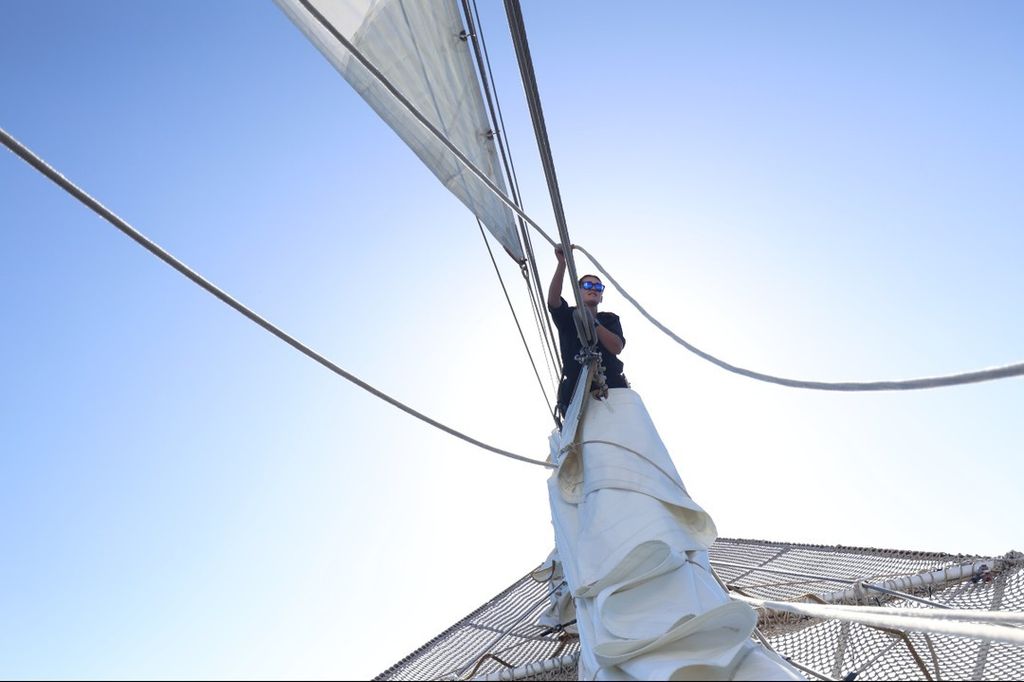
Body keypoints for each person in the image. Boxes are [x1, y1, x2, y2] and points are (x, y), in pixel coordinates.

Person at [548, 245, 628, 422]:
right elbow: (553, 301)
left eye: (598, 287)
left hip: (612, 389)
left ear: (601, 296)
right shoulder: (569, 316)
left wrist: (594, 323)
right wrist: (562, 264)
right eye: (587, 285)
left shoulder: (609, 319)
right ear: (578, 291)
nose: (593, 288)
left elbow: (616, 347)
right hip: (577, 395)